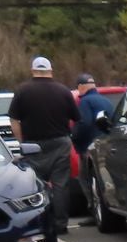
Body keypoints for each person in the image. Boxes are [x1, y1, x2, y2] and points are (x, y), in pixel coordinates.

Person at [7, 56, 78, 232]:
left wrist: (22, 142)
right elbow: (76, 117)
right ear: (50, 71)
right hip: (60, 142)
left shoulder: (22, 91)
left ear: (33, 71)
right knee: (61, 185)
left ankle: (40, 223)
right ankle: (61, 224)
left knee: (36, 185)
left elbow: (14, 120)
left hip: (33, 145)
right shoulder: (63, 91)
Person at [71, 73, 113, 218]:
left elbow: (84, 123)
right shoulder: (105, 101)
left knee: (84, 178)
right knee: (104, 178)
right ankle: (108, 207)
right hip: (107, 144)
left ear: (81, 87)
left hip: (89, 147)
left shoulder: (85, 102)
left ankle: (94, 211)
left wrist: (74, 137)